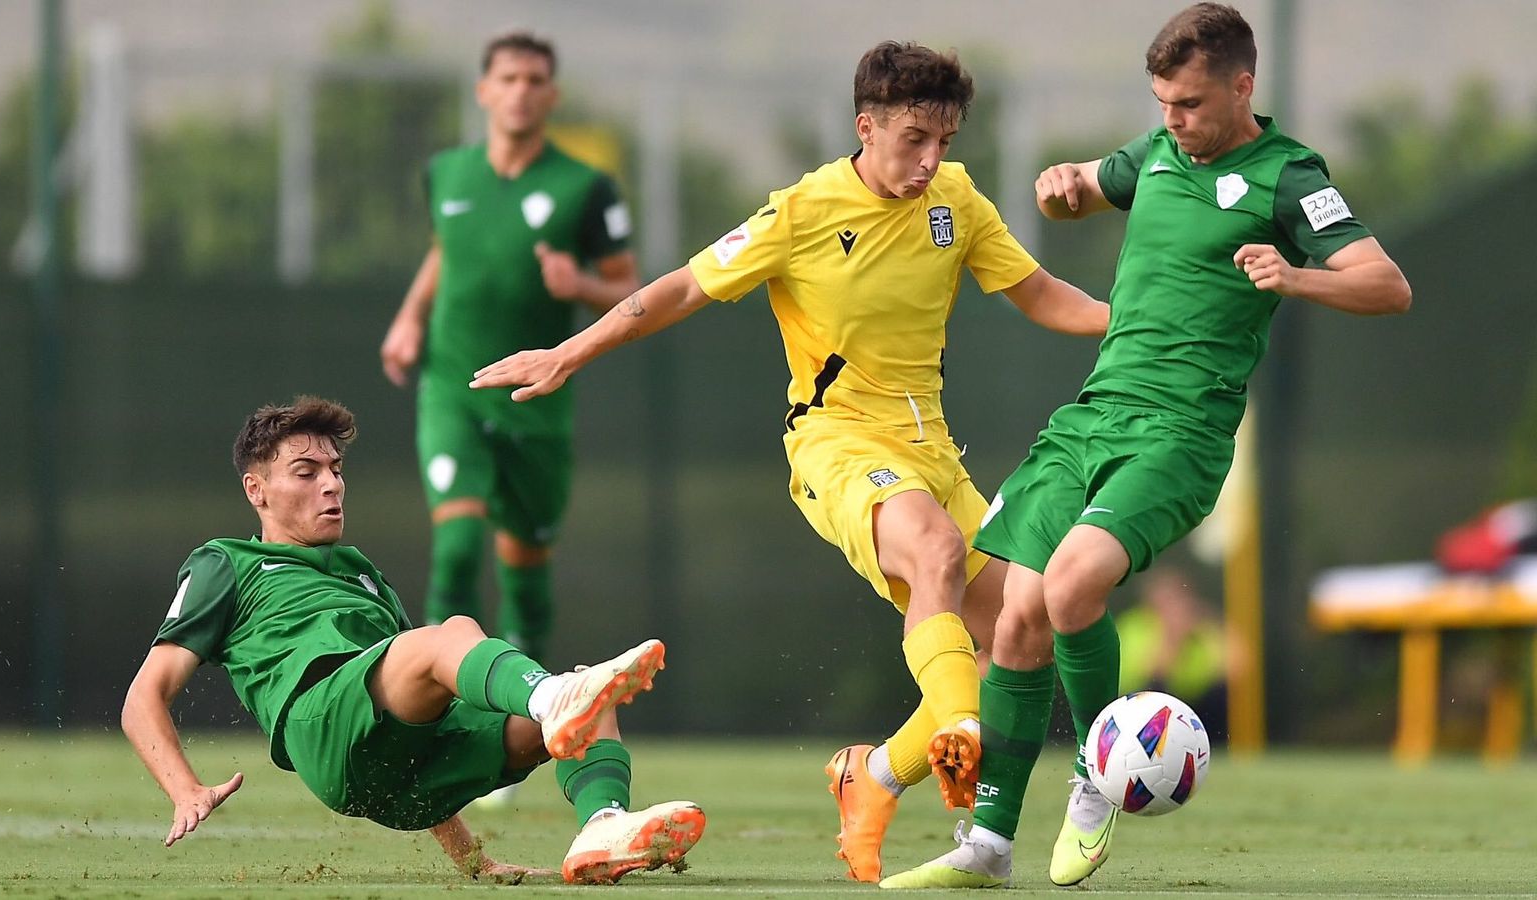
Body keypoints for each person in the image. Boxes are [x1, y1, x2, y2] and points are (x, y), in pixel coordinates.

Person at [471, 42, 1109, 882]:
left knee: (1020, 632)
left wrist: (1130, 325)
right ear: (866, 125)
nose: (931, 161)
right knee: (938, 556)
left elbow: (1035, 292)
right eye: (914, 139)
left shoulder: (956, 200)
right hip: (837, 443)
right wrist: (569, 350)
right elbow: (681, 289)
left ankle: (874, 776)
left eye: (945, 142)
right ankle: (961, 727)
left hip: (933, 452)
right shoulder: (804, 211)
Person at [882, 3, 1411, 889]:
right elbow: (1098, 179)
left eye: (1192, 102)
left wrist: (1297, 275)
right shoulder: (1158, 149)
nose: (1174, 118)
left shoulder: (1288, 178)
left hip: (1183, 433)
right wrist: (1067, 184)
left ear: (1243, 87)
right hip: (1090, 416)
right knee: (1014, 616)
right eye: (1163, 100)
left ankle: (1099, 774)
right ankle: (989, 846)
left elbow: (1387, 285)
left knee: (1072, 582)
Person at [120, 397, 703, 885]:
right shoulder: (228, 562)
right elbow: (143, 697)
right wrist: (184, 789)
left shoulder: (359, 571)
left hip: (403, 779)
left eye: (336, 469)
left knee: (590, 696)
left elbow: (418, 707)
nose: (332, 485)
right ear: (257, 490)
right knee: (456, 637)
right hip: (324, 725)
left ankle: (602, 826)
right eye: (306, 472)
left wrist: (474, 863)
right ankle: (552, 698)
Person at [380, 32, 640, 666]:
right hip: (455, 385)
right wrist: (409, 317)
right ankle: (438, 688)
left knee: (524, 557)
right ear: (484, 91)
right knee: (459, 543)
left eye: (533, 81)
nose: (520, 92)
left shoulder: (586, 188)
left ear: (551, 95)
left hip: (536, 393)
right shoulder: (446, 173)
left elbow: (631, 289)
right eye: (508, 79)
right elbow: (447, 248)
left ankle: (527, 703)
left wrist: (577, 284)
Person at [1116, 565, 1229, 745]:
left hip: (1194, 709)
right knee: (1155, 689)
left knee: (1222, 694)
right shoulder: (1135, 626)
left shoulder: (1200, 629)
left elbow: (1238, 667)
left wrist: (1210, 625)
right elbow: (1154, 675)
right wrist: (1173, 638)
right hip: (1141, 709)